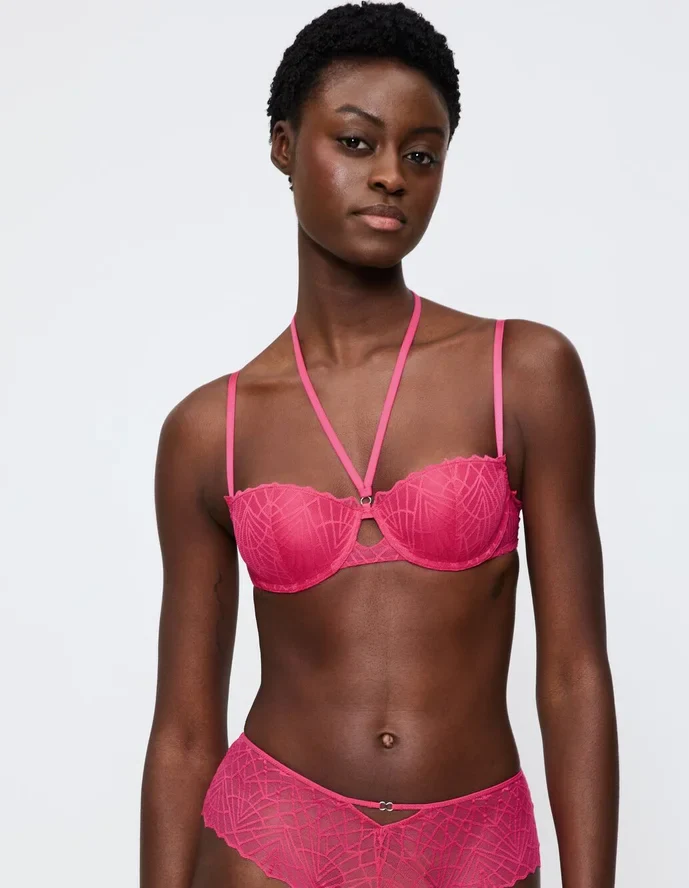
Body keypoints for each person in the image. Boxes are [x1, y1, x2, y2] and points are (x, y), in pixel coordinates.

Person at [141, 3, 619, 887]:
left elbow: (575, 674)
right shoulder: (211, 430)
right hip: (272, 840)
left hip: (475, 847)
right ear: (284, 146)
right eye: (357, 143)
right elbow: (183, 730)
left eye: (422, 154)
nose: (392, 176)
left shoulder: (524, 372)